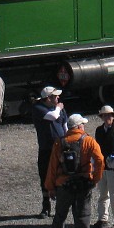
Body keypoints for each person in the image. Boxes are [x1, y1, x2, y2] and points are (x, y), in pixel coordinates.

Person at [43, 113, 104, 228]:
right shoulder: (88, 140)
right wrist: (95, 179)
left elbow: (52, 166)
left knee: (59, 217)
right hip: (83, 185)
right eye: (83, 124)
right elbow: (100, 160)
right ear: (79, 126)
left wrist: (50, 187)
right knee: (82, 220)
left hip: (64, 185)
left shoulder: (60, 142)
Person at [31, 86, 67, 218]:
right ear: (48, 98)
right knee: (45, 176)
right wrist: (58, 108)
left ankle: (60, 206)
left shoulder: (59, 109)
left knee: (61, 175)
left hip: (60, 147)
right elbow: (52, 116)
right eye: (55, 96)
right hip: (46, 148)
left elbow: (64, 124)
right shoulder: (38, 108)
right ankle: (46, 206)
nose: (58, 98)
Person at [92, 105, 114, 228]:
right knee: (103, 194)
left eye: (109, 115)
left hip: (113, 168)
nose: (107, 118)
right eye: (104, 115)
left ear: (113, 116)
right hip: (102, 167)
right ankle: (102, 219)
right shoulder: (99, 130)